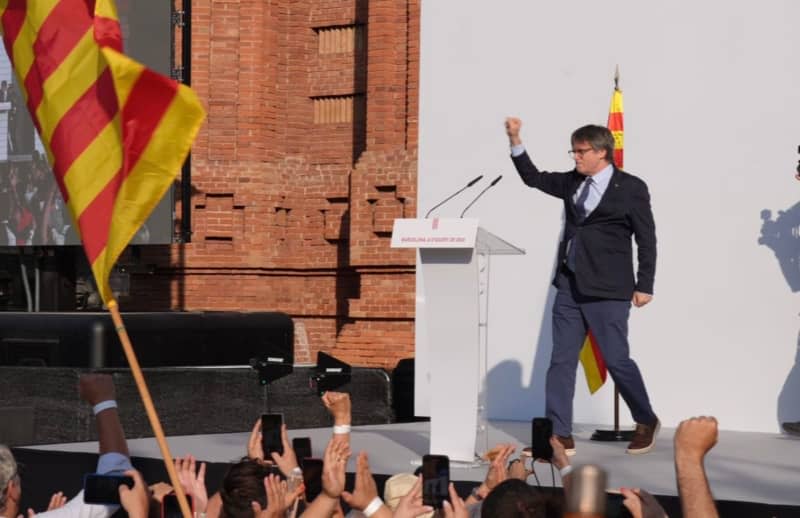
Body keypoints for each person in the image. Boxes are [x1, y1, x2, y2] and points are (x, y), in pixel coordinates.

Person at [505, 117, 659, 455]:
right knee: (561, 361)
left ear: (601, 152)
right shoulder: (573, 182)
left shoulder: (631, 187)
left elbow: (646, 239)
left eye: (580, 151)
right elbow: (533, 178)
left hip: (609, 289)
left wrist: (645, 283)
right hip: (569, 286)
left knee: (617, 360)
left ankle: (645, 419)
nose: (574, 157)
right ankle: (560, 434)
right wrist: (516, 139)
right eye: (573, 151)